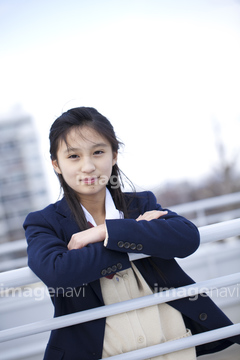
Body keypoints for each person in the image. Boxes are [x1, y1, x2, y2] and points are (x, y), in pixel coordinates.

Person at [23, 107, 239, 360]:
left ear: (114, 156)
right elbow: (57, 272)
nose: (89, 166)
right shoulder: (44, 222)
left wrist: (105, 231)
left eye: (98, 152)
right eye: (73, 156)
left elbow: (187, 238)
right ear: (56, 164)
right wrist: (134, 235)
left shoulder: (142, 204)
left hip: (174, 346)